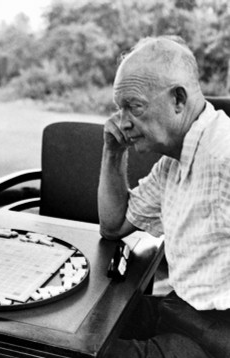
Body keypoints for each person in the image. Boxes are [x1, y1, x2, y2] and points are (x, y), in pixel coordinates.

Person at [98, 35, 230, 358]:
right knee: (93, 325)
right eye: (120, 108)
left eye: (134, 106)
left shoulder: (224, 154)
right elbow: (113, 225)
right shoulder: (172, 164)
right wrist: (112, 152)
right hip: (179, 309)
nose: (122, 121)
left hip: (215, 335)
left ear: (178, 101)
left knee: (87, 352)